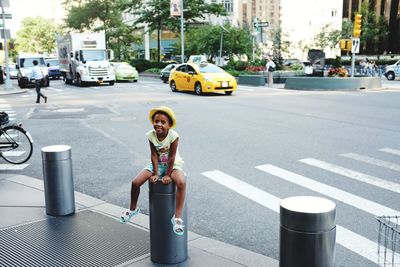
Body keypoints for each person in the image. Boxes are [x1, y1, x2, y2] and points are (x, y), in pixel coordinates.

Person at [121, 106, 186, 236]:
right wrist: (156, 173)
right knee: (135, 182)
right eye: (156, 121)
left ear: (169, 125)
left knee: (181, 182)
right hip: (157, 164)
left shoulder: (173, 136)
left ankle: (177, 217)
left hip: (172, 165)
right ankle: (133, 209)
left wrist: (167, 175)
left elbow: (172, 157)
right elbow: (154, 155)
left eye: (163, 122)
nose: (159, 125)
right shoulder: (151, 135)